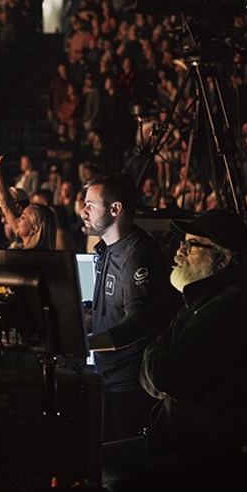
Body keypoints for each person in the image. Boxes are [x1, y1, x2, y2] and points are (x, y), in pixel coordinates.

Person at [104, 210, 247, 492]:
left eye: (192, 245)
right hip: (179, 440)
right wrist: (159, 354)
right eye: (182, 243)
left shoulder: (226, 310)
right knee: (94, 461)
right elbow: (156, 379)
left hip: (211, 456)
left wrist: (157, 350)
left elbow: (162, 376)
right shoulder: (200, 301)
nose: (179, 252)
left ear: (223, 260)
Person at [80, 171, 177, 441]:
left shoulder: (137, 254)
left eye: (90, 204)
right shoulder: (108, 249)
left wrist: (84, 343)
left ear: (115, 209)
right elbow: (107, 312)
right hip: (108, 378)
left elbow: (138, 321)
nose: (83, 211)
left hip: (129, 385)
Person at [0, 148, 53, 250]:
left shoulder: (39, 255)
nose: (18, 219)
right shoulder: (20, 242)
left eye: (23, 217)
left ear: (34, 229)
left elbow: (6, 205)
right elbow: (6, 206)